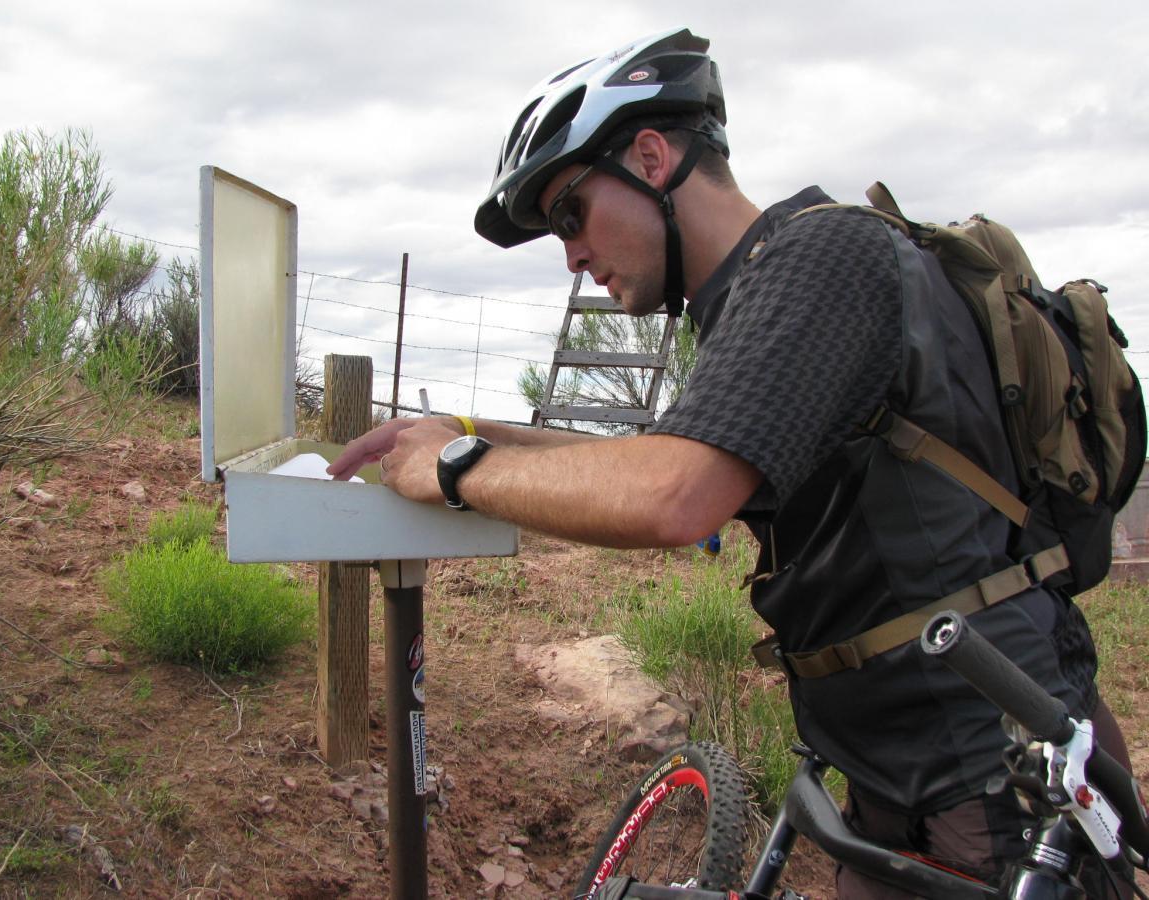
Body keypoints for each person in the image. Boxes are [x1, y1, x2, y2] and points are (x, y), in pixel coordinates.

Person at [327, 28, 1132, 898]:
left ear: (652, 157)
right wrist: (469, 428)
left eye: (571, 214)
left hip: (992, 775)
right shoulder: (750, 297)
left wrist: (453, 469)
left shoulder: (822, 258)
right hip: (898, 773)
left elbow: (676, 496)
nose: (571, 254)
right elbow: (654, 459)